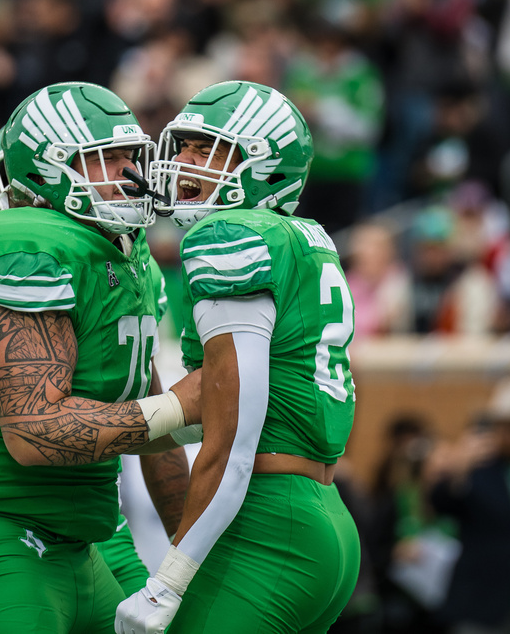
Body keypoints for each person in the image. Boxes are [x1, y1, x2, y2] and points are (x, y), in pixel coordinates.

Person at [0, 82, 203, 633]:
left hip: (82, 534)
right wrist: (182, 408)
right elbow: (35, 429)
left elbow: (154, 426)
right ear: (49, 171)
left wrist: (188, 551)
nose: (130, 174)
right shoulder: (27, 241)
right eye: (104, 160)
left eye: (130, 156)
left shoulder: (126, 260)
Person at [116, 80, 361, 633]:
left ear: (262, 164)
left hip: (269, 526)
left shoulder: (231, 236)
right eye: (182, 147)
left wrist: (167, 582)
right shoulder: (304, 236)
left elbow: (234, 438)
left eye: (207, 152)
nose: (182, 162)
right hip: (321, 513)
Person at [425, 377, 510, 634]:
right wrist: (458, 468)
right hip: (483, 599)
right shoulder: (480, 468)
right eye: (504, 427)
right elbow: (440, 502)